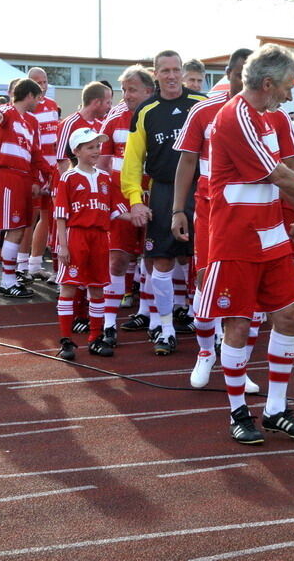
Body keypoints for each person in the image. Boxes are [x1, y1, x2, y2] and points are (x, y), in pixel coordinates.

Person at [196, 43, 294, 445]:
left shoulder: (270, 118)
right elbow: (278, 176)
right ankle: (238, 412)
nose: (290, 93)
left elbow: (284, 175)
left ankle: (276, 408)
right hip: (235, 239)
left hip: (271, 235)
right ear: (267, 83)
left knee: (289, 315)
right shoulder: (234, 116)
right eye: (287, 85)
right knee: (238, 322)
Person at [172, 47, 256, 387]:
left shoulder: (268, 115)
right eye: (238, 74)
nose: (243, 81)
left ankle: (240, 366)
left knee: (250, 290)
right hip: (209, 210)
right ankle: (206, 353)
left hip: (251, 214)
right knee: (206, 281)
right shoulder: (204, 111)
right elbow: (187, 162)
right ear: (230, 74)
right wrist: (178, 209)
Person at [121, 50, 206, 355]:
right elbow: (132, 161)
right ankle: (165, 328)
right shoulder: (145, 111)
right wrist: (134, 200)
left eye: (176, 70)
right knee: (161, 259)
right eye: (165, 70)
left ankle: (209, 326)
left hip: (201, 190)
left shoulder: (202, 104)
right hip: (163, 189)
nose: (171, 76)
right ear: (155, 74)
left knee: (206, 259)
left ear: (183, 72)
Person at [54, 127, 130, 360]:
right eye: (90, 147)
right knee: (69, 286)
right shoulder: (68, 177)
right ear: (76, 151)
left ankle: (95, 338)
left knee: (97, 288)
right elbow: (60, 215)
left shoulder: (106, 178)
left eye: (97, 146)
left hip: (100, 238)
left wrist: (140, 214)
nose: (96, 150)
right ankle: (66, 340)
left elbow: (117, 210)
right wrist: (63, 246)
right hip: (77, 236)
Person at [99, 66, 155, 337]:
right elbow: (102, 161)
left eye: (131, 90)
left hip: (155, 196)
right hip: (121, 197)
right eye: (123, 90)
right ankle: (109, 325)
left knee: (153, 258)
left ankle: (146, 314)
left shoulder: (158, 114)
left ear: (148, 90)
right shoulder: (114, 118)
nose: (126, 95)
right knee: (118, 259)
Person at [0, 78, 51, 298]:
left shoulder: (32, 121)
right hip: (7, 176)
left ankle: (9, 277)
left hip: (23, 178)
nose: (40, 102)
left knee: (21, 228)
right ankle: (6, 280)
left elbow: (36, 155)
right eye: (38, 97)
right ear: (30, 95)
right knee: (11, 229)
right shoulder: (6, 112)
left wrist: (49, 175)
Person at [25, 67, 61, 282]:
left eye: (45, 81)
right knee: (28, 218)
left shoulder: (52, 106)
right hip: (33, 171)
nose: (42, 85)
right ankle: (22, 265)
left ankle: (35, 264)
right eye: (37, 82)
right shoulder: (26, 107)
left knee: (50, 217)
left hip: (51, 170)